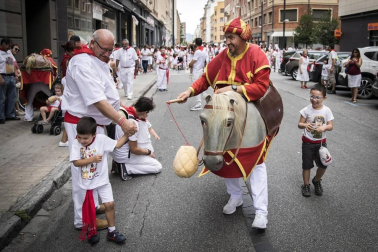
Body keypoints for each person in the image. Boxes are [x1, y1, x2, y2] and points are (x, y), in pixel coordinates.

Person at [176, 17, 272, 229]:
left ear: (243, 37)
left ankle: (261, 211)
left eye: (231, 38)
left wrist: (235, 88)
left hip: (249, 113)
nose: (227, 42)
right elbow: (206, 78)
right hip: (222, 115)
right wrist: (189, 92)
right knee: (225, 156)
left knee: (256, 163)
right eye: (226, 37)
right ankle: (235, 196)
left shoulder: (257, 54)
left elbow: (261, 87)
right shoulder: (222, 56)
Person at [63, 29, 137, 231]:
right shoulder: (81, 62)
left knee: (95, 171)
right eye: (104, 50)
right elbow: (96, 100)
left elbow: (107, 92)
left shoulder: (96, 58)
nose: (108, 54)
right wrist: (121, 121)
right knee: (83, 173)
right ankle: (83, 220)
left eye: (110, 50)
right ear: (93, 43)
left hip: (96, 124)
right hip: (83, 127)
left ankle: (92, 207)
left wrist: (120, 107)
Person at [71, 117, 128, 244]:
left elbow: (117, 144)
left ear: (94, 134)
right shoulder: (76, 143)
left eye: (85, 138)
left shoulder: (101, 140)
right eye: (79, 137)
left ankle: (112, 231)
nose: (81, 140)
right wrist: (92, 160)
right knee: (90, 208)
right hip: (87, 184)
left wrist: (127, 134)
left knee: (109, 204)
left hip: (102, 181)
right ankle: (91, 230)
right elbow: (76, 162)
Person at [111, 97, 162, 179]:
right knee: (157, 166)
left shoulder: (124, 110)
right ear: (144, 112)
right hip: (124, 155)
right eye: (147, 112)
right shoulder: (133, 123)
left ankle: (119, 163)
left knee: (146, 156)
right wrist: (148, 152)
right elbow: (134, 150)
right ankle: (125, 168)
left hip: (115, 152)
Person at [298, 84, 334, 197]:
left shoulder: (327, 110)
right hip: (308, 142)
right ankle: (306, 185)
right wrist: (305, 125)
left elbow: (330, 126)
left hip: (321, 144)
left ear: (324, 98)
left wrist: (324, 127)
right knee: (307, 165)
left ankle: (317, 180)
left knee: (324, 164)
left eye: (318, 97)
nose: (314, 99)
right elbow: (299, 124)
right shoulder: (306, 110)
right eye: (312, 96)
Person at [0, 37, 19, 124]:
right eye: (8, 45)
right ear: (3, 43)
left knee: (12, 97)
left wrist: (15, 74)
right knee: (2, 98)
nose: (9, 47)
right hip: (3, 76)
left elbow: (13, 63)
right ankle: (1, 116)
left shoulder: (9, 52)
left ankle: (10, 114)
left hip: (11, 76)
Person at [189, 38, 208, 111]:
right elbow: (205, 62)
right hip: (201, 71)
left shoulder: (197, 52)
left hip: (196, 71)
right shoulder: (204, 51)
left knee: (195, 87)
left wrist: (189, 64)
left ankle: (198, 104)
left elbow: (192, 62)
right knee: (201, 86)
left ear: (196, 43)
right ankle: (206, 98)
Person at [10, 44, 24, 117]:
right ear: (11, 48)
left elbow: (16, 67)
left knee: (16, 95)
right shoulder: (9, 57)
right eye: (16, 49)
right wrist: (15, 74)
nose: (17, 51)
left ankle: (17, 109)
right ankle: (15, 110)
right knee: (13, 95)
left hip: (15, 77)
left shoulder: (13, 58)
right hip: (12, 77)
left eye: (18, 50)